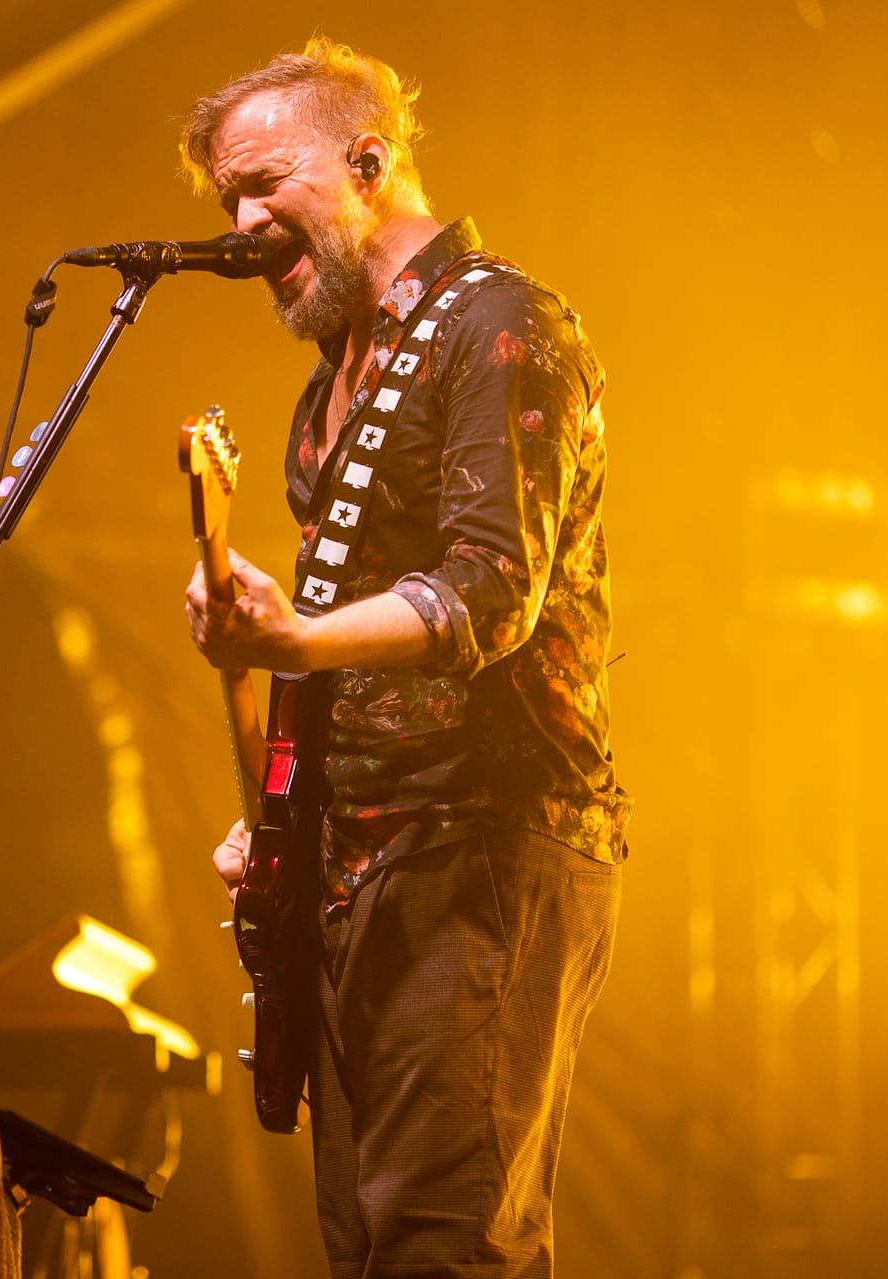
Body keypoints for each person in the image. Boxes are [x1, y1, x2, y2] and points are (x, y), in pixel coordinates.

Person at [177, 40, 630, 1278]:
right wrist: (282, 816)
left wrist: (291, 634)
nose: (240, 222)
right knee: (370, 1245)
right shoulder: (327, 387)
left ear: (368, 162)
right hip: (356, 864)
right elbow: (343, 659)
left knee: (443, 1243)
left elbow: (490, 591)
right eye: (224, 199)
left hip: (481, 845)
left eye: (263, 184)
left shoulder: (498, 322)